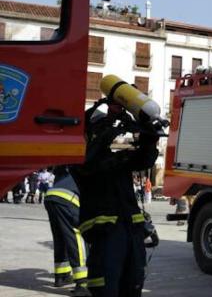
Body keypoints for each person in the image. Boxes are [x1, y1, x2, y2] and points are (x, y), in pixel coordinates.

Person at [75, 99, 159, 296]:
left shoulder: (115, 159)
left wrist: (147, 132)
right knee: (106, 288)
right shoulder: (80, 162)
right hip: (106, 237)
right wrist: (110, 124)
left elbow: (144, 158)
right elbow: (90, 161)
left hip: (131, 234)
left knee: (133, 285)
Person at [43, 165, 90, 296]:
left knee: (60, 236)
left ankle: (61, 276)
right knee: (77, 235)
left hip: (51, 196)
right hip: (67, 199)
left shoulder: (68, 169)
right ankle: (82, 281)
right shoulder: (93, 171)